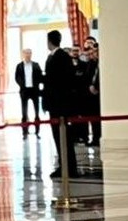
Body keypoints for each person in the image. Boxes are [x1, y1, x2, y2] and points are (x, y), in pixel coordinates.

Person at [43, 29, 78, 179]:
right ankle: (63, 165)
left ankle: (69, 167)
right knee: (58, 137)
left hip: (60, 104)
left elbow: (62, 80)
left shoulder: (61, 57)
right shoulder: (54, 56)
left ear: (50, 41)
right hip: (55, 104)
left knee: (64, 137)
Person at [14, 48, 43, 133]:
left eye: (29, 53)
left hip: (34, 90)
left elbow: (40, 75)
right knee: (24, 108)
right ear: (23, 54)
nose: (28, 55)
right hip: (24, 90)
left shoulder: (36, 65)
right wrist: (21, 84)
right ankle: (24, 128)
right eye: (26, 53)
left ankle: (37, 126)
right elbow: (17, 77)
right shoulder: (19, 66)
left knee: (36, 107)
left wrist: (37, 84)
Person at [83, 37, 101, 147]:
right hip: (90, 96)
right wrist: (90, 86)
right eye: (92, 52)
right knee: (93, 119)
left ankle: (99, 137)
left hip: (99, 95)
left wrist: (97, 88)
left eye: (95, 52)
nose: (94, 54)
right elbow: (88, 77)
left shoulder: (102, 63)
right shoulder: (90, 64)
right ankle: (95, 138)